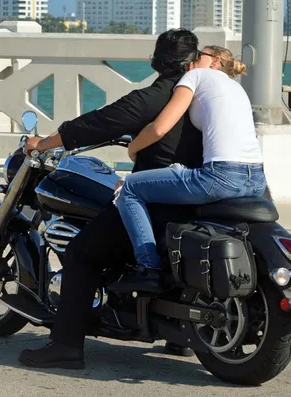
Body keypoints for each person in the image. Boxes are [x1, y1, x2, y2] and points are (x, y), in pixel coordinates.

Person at [17, 28, 204, 369]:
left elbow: (97, 123)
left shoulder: (153, 97)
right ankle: (179, 337)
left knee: (82, 253)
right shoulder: (205, 99)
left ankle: (66, 346)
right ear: (194, 63)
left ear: (156, 62)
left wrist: (43, 143)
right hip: (204, 198)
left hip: (159, 201)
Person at [110, 46, 266, 294]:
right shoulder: (236, 88)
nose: (192, 60)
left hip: (220, 176)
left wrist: (134, 147)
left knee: (130, 188)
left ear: (214, 61)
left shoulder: (197, 76)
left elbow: (160, 128)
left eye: (199, 55)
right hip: (256, 177)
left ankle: (148, 269)